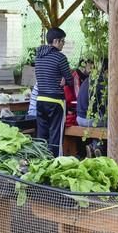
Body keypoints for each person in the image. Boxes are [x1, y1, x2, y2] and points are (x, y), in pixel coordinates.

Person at [35, 27, 73, 156]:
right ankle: (55, 162)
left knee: (42, 135)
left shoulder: (38, 57)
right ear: (56, 41)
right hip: (56, 101)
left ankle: (40, 160)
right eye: (63, 41)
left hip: (40, 100)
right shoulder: (60, 57)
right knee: (56, 136)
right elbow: (70, 79)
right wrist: (65, 80)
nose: (63, 44)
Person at [76, 59, 107, 128]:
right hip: (88, 120)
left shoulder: (89, 79)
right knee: (114, 121)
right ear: (106, 71)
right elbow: (104, 107)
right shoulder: (101, 83)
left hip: (79, 118)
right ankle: (97, 139)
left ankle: (95, 139)